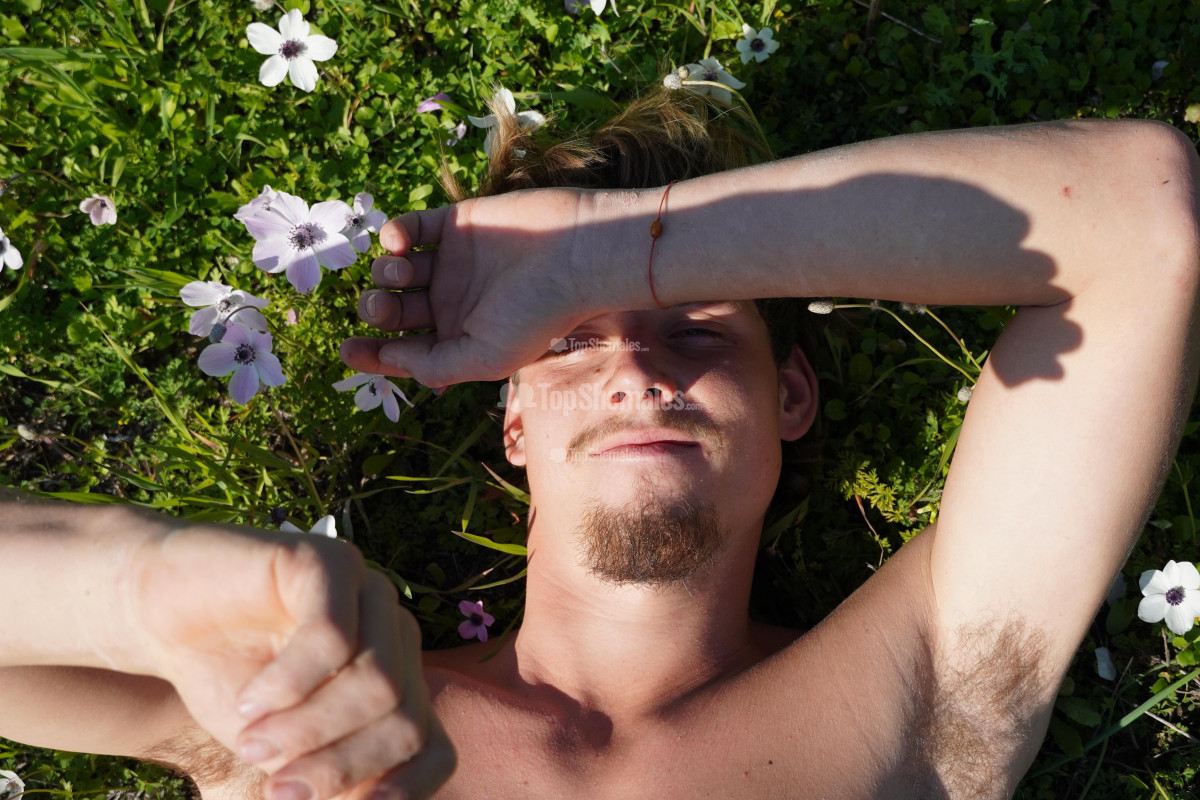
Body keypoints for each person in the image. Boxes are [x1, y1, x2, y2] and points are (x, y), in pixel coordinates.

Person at [3, 88, 1199, 800]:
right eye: (570, 343)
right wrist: (151, 589)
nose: (635, 368)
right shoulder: (309, 700)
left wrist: (610, 250)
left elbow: (1143, 217)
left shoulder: (926, 697)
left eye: (695, 327)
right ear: (513, 420)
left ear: (790, 395)